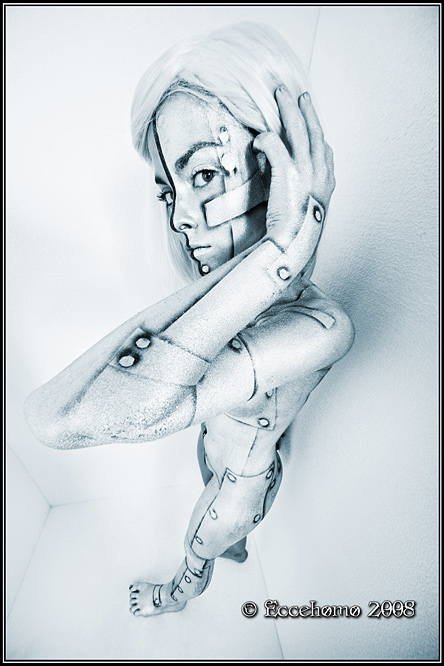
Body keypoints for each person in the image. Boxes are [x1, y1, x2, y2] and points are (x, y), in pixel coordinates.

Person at [24, 21, 354, 617]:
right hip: (215, 449)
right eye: (169, 192)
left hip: (236, 491)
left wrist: (282, 252)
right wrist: (268, 261)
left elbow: (54, 419)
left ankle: (173, 599)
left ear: (284, 168)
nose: (180, 219)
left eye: (204, 175)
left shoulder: (322, 328)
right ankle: (236, 549)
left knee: (197, 553)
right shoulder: (231, 295)